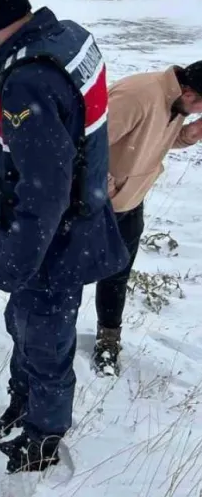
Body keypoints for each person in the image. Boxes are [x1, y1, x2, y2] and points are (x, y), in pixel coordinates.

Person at [0, 0, 129, 473]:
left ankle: (43, 439)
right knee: (23, 323)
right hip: (80, 214)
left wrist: (15, 262)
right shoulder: (70, 38)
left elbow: (44, 190)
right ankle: (22, 405)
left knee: (44, 335)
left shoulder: (26, 81)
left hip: (55, 237)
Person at [95, 61, 202, 375]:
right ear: (189, 92)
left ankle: (107, 341)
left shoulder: (175, 101)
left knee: (117, 275)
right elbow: (85, 142)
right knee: (68, 275)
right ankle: (51, 344)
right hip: (97, 205)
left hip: (131, 202)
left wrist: (190, 135)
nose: (195, 113)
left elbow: (154, 142)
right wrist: (107, 188)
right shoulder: (139, 95)